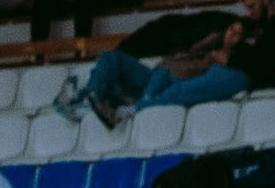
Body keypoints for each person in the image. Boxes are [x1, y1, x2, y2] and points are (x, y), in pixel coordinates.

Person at [65, 20, 252, 127]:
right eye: (230, 29)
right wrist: (206, 44)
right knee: (111, 57)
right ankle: (94, 96)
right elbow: (185, 56)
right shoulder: (211, 43)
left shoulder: (228, 63)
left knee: (150, 91)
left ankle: (117, 107)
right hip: (159, 70)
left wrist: (210, 60)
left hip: (172, 81)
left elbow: (193, 84)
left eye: (237, 33)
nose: (230, 35)